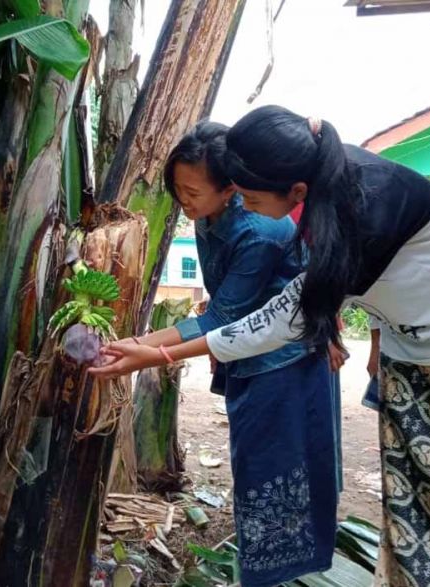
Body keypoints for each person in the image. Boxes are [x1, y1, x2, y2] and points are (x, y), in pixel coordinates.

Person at [92, 105, 430, 586]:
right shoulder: (321, 187)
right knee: (414, 496)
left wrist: (159, 353)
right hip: (411, 349)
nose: (244, 206)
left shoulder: (361, 209)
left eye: (250, 197)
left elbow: (283, 318)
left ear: (295, 191)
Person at [128, 121, 344, 586]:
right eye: (177, 190)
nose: (183, 202)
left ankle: (279, 573)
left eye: (192, 192)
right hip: (247, 355)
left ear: (230, 189)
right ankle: (268, 570)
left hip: (284, 364)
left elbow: (220, 318)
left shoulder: (260, 230)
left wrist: (143, 348)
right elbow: (225, 313)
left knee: (279, 473)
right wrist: (140, 343)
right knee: (257, 471)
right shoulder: (208, 217)